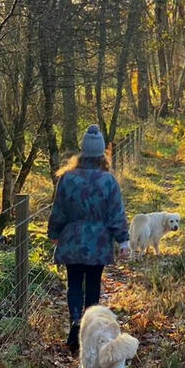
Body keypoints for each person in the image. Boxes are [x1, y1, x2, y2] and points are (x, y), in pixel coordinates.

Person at [48, 124, 130, 355]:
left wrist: (54, 234)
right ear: (102, 153)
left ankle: (75, 322)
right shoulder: (108, 181)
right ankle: (88, 330)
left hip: (73, 239)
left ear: (82, 152)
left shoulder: (67, 179)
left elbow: (59, 210)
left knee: (74, 282)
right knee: (93, 284)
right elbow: (116, 213)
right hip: (99, 243)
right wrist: (123, 240)